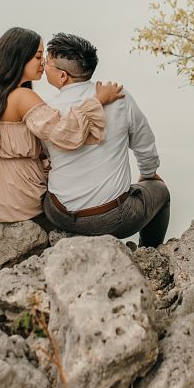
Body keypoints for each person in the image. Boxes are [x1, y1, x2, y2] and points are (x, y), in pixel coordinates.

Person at [0, 27, 124, 224]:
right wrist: (97, 100)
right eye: (37, 56)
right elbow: (64, 134)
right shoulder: (22, 97)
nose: (43, 62)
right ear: (19, 58)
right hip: (11, 194)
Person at [40, 32, 169, 247]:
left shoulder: (46, 110)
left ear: (63, 76)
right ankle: (151, 253)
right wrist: (149, 174)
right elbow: (145, 144)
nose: (44, 67)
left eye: (47, 62)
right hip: (113, 220)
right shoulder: (119, 97)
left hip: (59, 214)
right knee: (161, 191)